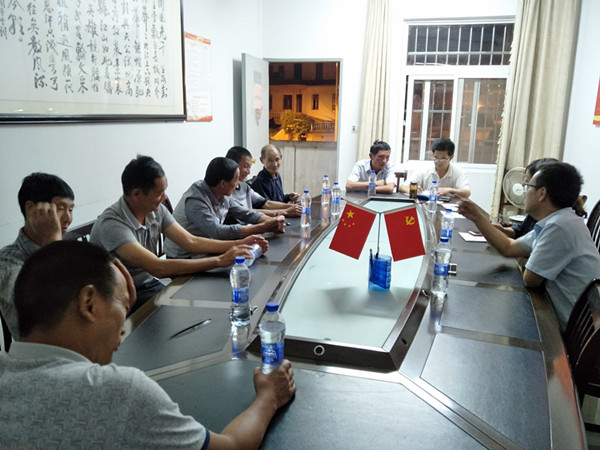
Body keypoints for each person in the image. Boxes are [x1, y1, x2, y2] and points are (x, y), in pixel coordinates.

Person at [0, 240, 296, 449]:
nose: (123, 328)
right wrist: (269, 397)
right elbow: (231, 447)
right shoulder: (116, 392)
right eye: (123, 306)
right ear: (88, 304)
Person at [90, 155, 267, 310]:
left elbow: (190, 241)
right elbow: (157, 267)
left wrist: (240, 243)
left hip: (147, 284)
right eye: (159, 192)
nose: (165, 198)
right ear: (137, 194)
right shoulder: (112, 225)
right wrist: (220, 260)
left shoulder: (156, 210)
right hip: (117, 296)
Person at [457, 162, 600, 332]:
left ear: (542, 193)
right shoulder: (558, 221)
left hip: (577, 331)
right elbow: (509, 247)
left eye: (528, 186)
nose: (524, 192)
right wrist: (477, 217)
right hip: (570, 318)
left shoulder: (560, 227)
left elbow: (530, 279)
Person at [0, 173, 74, 340]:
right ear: (31, 209)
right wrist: (52, 243)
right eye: (60, 208)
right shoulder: (7, 262)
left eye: (70, 209)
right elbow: (47, 323)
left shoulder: (63, 246)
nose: (68, 218)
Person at [165, 157, 285, 259]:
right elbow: (217, 232)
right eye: (236, 180)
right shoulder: (196, 200)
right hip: (184, 257)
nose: (237, 185)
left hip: (207, 249)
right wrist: (260, 228)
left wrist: (271, 222)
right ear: (223, 183)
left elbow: (245, 213)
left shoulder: (222, 193)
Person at [226, 146, 301, 218]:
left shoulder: (245, 187)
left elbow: (266, 203)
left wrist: (294, 207)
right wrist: (285, 212)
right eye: (245, 166)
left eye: (249, 167)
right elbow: (247, 212)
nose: (248, 172)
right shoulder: (226, 191)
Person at [495, 158, 558, 238]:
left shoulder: (552, 226)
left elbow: (511, 245)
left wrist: (481, 221)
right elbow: (519, 230)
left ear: (542, 192)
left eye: (528, 182)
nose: (523, 184)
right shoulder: (535, 212)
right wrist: (503, 231)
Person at [405, 137, 471, 198]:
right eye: (436, 158)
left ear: (451, 157)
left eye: (443, 159)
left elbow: (467, 192)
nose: (438, 162)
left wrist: (450, 190)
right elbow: (402, 187)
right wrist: (413, 190)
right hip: (427, 204)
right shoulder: (425, 170)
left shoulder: (458, 172)